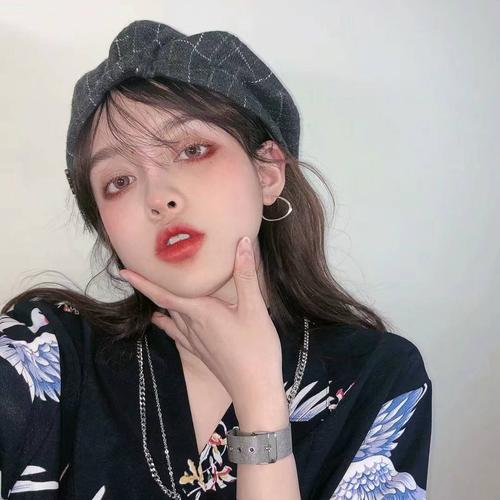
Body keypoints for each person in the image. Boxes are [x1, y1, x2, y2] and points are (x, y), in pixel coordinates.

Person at [0, 20, 432, 500]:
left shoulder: (377, 377)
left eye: (192, 150)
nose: (158, 198)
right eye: (119, 181)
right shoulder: (43, 349)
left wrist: (260, 403)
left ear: (267, 172)